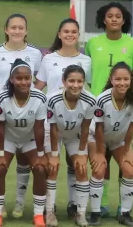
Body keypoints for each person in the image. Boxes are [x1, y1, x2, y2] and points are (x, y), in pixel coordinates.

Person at [85, 2, 133, 218]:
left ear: (124, 20)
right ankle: (101, 205)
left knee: (124, 157)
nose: (114, 19)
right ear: (103, 19)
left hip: (125, 108)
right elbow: (87, 74)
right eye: (109, 16)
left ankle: (123, 208)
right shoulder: (92, 44)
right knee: (100, 160)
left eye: (118, 16)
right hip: (97, 110)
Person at [34, 18, 92, 219]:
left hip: (76, 122)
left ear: (78, 35)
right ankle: (49, 211)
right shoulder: (48, 58)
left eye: (74, 31)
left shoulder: (86, 60)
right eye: (65, 31)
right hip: (52, 121)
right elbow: (39, 86)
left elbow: (88, 91)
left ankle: (77, 209)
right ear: (59, 34)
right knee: (53, 165)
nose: (69, 35)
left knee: (78, 164)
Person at [0, 14, 43, 218]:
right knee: (0, 165)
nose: (17, 31)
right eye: (13, 27)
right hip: (4, 113)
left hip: (27, 116)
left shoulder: (36, 54)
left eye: (21, 28)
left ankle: (20, 205)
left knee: (28, 165)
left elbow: (36, 78)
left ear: (26, 31)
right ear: (6, 29)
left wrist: (28, 97)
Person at [0, 58, 48, 227]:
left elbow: (39, 128)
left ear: (32, 78)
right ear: (11, 79)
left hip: (29, 140)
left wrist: (40, 154)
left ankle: (38, 215)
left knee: (39, 168)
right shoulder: (1, 97)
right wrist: (0, 154)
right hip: (8, 139)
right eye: (19, 78)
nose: (24, 82)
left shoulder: (40, 98)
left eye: (27, 78)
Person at [87, 62, 133, 226]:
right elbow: (98, 127)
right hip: (97, 138)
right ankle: (96, 213)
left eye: (126, 79)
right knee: (99, 169)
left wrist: (127, 151)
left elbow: (131, 127)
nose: (122, 83)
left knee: (129, 168)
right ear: (111, 80)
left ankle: (125, 213)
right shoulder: (102, 99)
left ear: (131, 80)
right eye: (118, 79)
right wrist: (98, 152)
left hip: (118, 140)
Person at [44, 65, 96, 227]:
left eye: (79, 81)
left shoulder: (90, 100)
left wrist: (81, 152)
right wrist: (53, 154)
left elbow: (86, 127)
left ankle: (80, 213)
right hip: (54, 133)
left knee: (81, 167)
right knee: (52, 167)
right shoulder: (52, 99)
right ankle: (50, 211)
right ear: (64, 82)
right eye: (71, 81)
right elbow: (52, 128)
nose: (75, 85)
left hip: (75, 134)